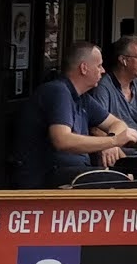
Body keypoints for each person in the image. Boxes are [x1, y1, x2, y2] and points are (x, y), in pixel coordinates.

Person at [17, 42, 127, 187]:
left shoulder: (82, 97)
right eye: (99, 66)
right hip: (48, 176)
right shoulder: (58, 91)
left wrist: (110, 141)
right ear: (84, 68)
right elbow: (62, 140)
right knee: (121, 181)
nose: (103, 71)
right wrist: (111, 142)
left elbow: (118, 124)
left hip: (75, 172)